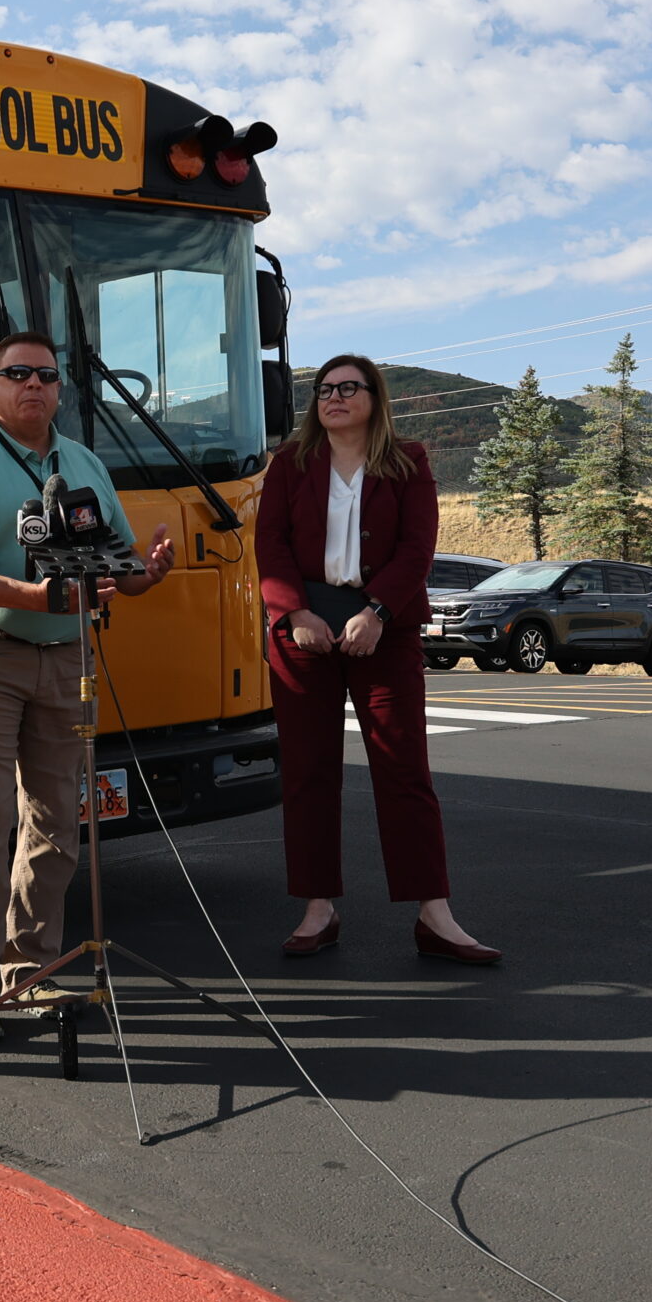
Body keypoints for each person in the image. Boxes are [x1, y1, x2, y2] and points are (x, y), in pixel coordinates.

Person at [0, 330, 176, 1042]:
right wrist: (37, 597)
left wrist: (150, 572)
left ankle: (30, 972)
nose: (34, 384)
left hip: (65, 659)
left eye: (47, 375)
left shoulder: (82, 463)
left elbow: (116, 566)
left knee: (58, 824)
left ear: (60, 389)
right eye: (17, 373)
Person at [255, 354, 499, 965]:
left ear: (374, 397)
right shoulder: (289, 464)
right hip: (302, 634)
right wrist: (296, 615)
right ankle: (318, 909)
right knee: (309, 775)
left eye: (348, 388)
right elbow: (270, 545)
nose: (333, 397)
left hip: (383, 631)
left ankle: (434, 915)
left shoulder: (408, 461)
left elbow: (419, 548)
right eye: (324, 390)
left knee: (404, 771)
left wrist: (378, 613)